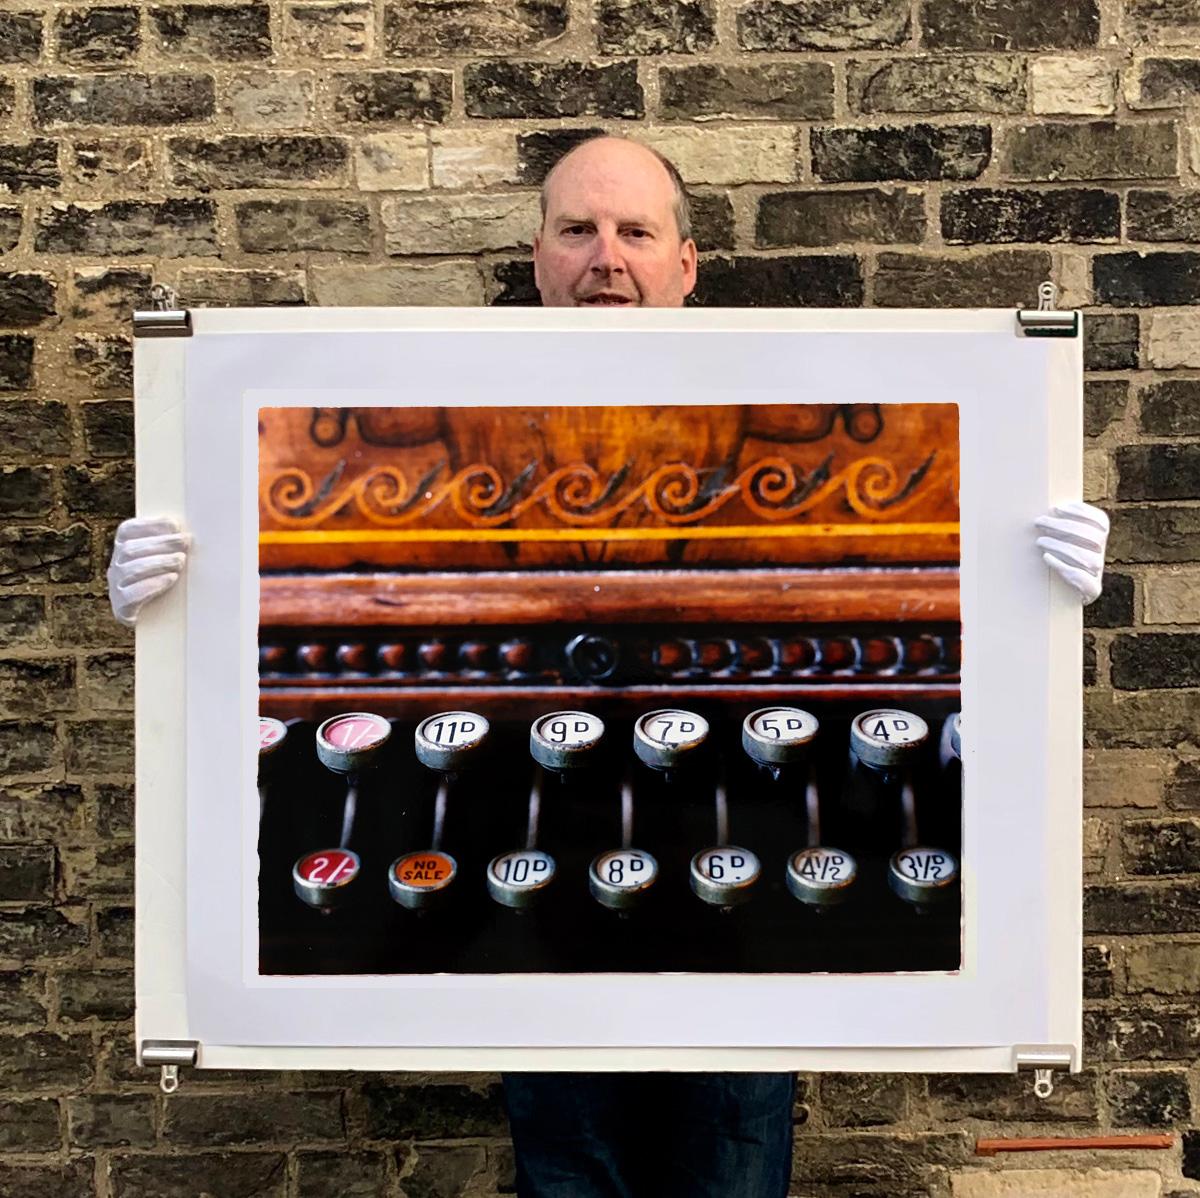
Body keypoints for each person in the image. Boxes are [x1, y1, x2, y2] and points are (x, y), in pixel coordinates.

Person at [109, 136, 1110, 1196]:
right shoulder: (410, 392)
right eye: (579, 231)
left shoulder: (817, 384)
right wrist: (182, 610)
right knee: (565, 1152)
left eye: (636, 232)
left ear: (687, 263)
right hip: (522, 880)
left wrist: (1031, 589)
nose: (606, 258)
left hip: (759, 867)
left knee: (733, 1150)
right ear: (536, 256)